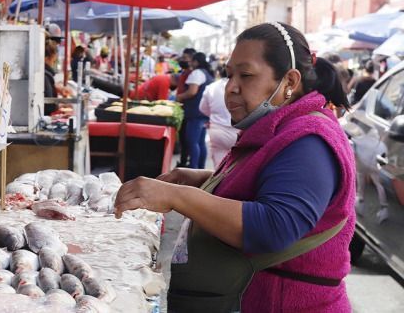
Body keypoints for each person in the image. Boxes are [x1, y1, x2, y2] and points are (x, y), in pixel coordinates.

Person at [114, 22, 355, 312]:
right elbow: (264, 184)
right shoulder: (279, 127)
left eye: (246, 75)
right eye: (229, 75)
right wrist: (203, 179)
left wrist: (177, 197)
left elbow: (276, 226)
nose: (232, 88)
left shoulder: (310, 140)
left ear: (289, 82)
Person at [176, 52, 214, 169]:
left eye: (192, 60)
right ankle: (200, 168)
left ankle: (193, 168)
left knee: (192, 142)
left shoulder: (197, 73)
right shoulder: (207, 74)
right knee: (200, 142)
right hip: (203, 113)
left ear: (196, 62)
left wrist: (180, 97)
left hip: (194, 112)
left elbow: (192, 91)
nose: (190, 63)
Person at [198, 64, 239, 168]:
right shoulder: (244, 88)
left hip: (218, 131)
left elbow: (202, 108)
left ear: (218, 73)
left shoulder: (211, 87)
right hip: (239, 132)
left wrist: (213, 115)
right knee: (238, 166)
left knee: (219, 167)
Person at [352, 128, 389, 223]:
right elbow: (383, 163)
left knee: (361, 183)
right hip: (373, 167)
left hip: (361, 165)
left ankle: (360, 202)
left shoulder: (362, 140)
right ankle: (384, 207)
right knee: (379, 185)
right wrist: (376, 168)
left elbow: (352, 145)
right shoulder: (382, 146)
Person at [176, 48, 197, 167]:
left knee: (186, 139)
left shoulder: (192, 74)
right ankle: (183, 160)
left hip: (187, 109)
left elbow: (191, 92)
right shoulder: (184, 72)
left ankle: (184, 162)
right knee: (183, 138)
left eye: (185, 58)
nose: (182, 60)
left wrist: (180, 97)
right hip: (181, 108)